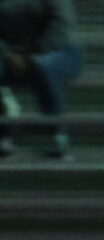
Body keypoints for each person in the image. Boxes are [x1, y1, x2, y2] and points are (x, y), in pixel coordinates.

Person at [0, 0, 81, 162]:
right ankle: (4, 130)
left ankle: (57, 132)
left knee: (44, 66)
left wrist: (34, 54)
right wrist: (8, 54)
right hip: (12, 53)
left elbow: (61, 23)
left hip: (58, 49)